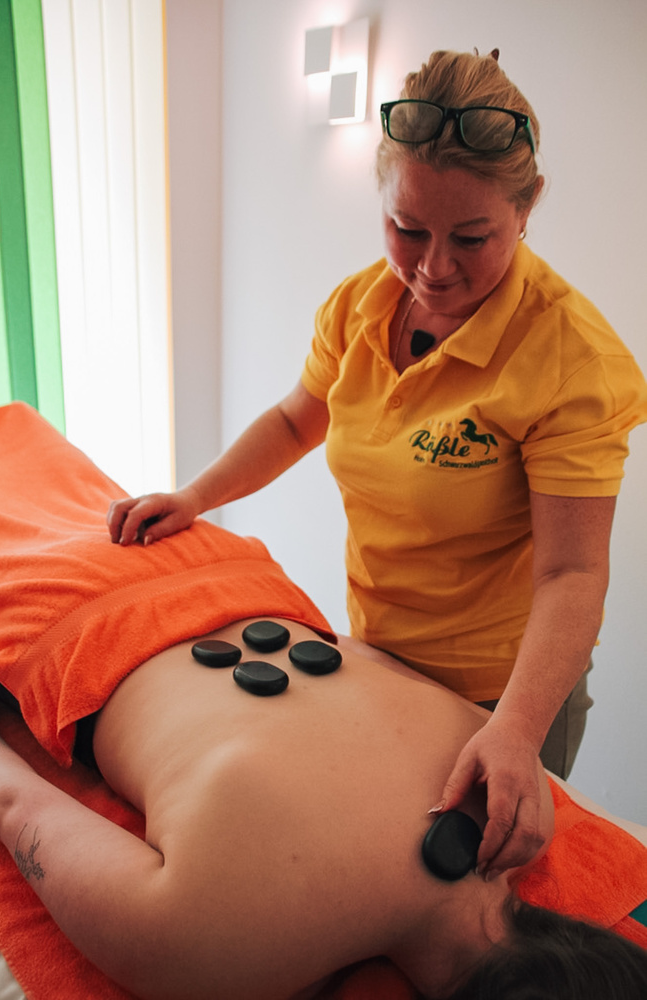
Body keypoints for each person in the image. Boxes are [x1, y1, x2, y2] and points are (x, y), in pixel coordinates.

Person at [106, 50, 647, 880]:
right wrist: (195, 496)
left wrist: (512, 728)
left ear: (527, 206)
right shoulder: (361, 305)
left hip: (502, 690)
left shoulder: (573, 361)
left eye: (471, 238)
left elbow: (571, 573)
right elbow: (297, 418)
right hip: (377, 655)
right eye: (407, 229)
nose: (432, 267)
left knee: (478, 898)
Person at [0, 402, 647, 1000]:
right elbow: (11, 804)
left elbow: (364, 659)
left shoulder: (519, 792)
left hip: (225, 575)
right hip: (72, 618)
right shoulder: (215, 955)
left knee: (21, 452)